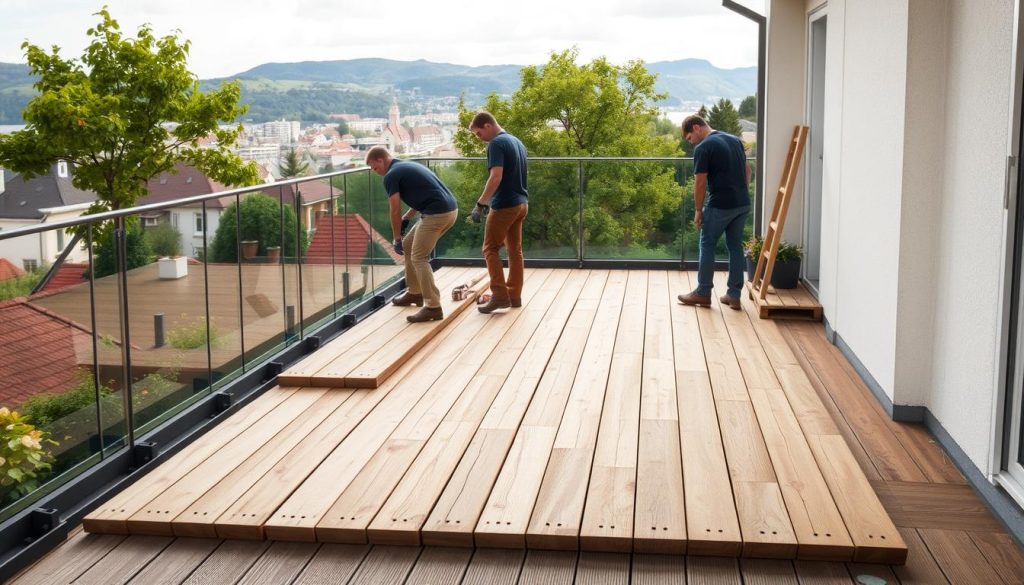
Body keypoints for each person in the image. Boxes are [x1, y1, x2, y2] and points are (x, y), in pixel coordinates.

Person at [366, 146, 458, 323]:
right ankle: (415, 294)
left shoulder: (391, 175)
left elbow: (393, 210)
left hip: (436, 214)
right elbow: (426, 192)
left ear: (381, 160)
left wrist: (396, 238)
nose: (374, 171)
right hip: (449, 210)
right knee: (409, 247)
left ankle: (433, 307)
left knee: (419, 257)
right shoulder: (407, 166)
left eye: (374, 167)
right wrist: (408, 216)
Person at [677, 115, 751, 311]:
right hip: (742, 203)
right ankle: (734, 295)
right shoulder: (734, 140)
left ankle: (702, 292)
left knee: (707, 244)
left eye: (689, 137)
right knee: (735, 246)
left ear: (696, 127)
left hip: (720, 205)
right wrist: (740, 191)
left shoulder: (703, 148)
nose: (691, 142)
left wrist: (698, 210)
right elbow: (747, 170)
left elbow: (700, 182)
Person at [468, 111, 529, 314]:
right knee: (515, 251)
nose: (480, 139)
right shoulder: (516, 141)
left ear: (487, 125)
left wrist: (480, 204)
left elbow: (496, 177)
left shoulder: (496, 144)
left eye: (478, 133)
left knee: (489, 248)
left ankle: (500, 296)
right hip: (522, 204)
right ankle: (514, 295)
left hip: (505, 205)